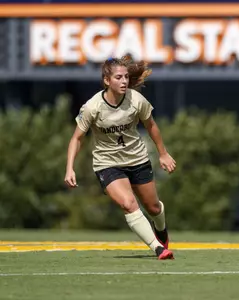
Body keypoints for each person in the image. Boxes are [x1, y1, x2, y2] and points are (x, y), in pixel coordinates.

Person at [64, 55, 176, 260]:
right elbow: (76, 139)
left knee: (153, 207)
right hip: (107, 164)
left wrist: (163, 153)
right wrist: (69, 168)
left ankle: (161, 230)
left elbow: (151, 126)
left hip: (138, 160)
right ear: (107, 81)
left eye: (126, 77)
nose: (124, 81)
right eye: (118, 77)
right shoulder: (92, 107)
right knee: (128, 203)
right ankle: (158, 248)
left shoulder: (136, 100)